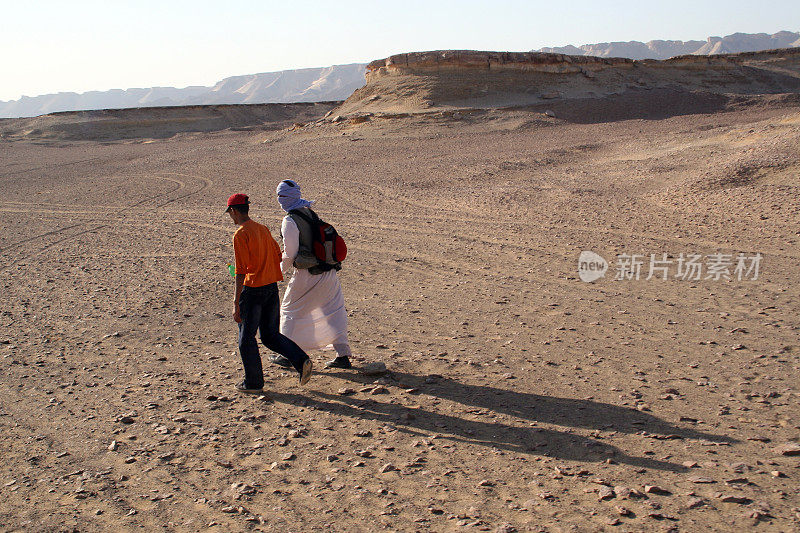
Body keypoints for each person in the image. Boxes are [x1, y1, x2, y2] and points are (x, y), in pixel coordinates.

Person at [226, 193, 313, 392]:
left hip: (253, 291)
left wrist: (235, 301)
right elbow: (276, 254)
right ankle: (301, 360)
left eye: (230, 213)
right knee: (270, 335)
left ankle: (254, 382)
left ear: (234, 211)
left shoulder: (240, 234)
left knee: (246, 339)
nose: (231, 217)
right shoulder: (262, 229)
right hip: (270, 289)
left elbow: (241, 271)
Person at [271, 180, 354, 369]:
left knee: (289, 310)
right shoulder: (309, 212)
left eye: (280, 196)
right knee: (332, 311)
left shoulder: (290, 220)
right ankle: (343, 355)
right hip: (328, 272)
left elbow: (290, 253)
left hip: (307, 274)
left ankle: (287, 354)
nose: (279, 200)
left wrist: (277, 272)